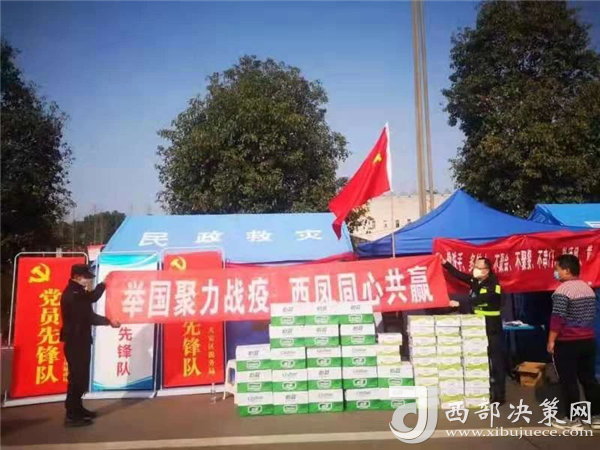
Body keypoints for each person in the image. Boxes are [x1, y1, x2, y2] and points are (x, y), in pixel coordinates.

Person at [439, 255, 506, 405]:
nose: (474, 270)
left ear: (486, 270)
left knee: (495, 360)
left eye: (478, 268)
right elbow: (459, 275)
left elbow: (483, 299)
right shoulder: (475, 280)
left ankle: (499, 396)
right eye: (474, 267)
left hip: (491, 325)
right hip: (477, 324)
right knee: (479, 357)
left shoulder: (493, 285)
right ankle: (481, 391)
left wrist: (460, 303)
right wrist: (445, 263)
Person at [60, 264, 120, 427]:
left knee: (80, 377)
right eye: (86, 277)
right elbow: (89, 317)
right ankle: (71, 416)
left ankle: (78, 409)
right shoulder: (72, 295)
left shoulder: (78, 291)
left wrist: (103, 285)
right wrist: (109, 322)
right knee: (76, 378)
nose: (88, 280)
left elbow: (91, 298)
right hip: (75, 342)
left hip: (80, 340)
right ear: (77, 277)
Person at [547, 254, 600, 430]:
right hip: (588, 340)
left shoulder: (562, 292)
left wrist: (551, 341)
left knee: (569, 381)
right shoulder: (588, 289)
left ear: (567, 270)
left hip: (568, 342)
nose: (555, 272)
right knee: (589, 379)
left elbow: (557, 319)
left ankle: (573, 419)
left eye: (557, 269)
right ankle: (596, 417)